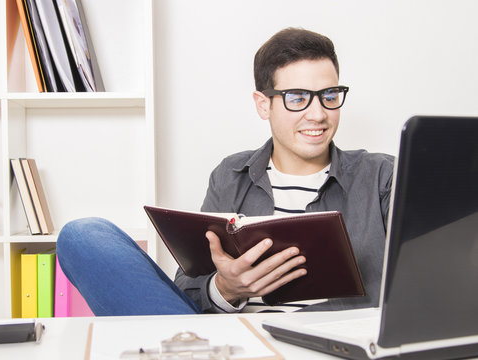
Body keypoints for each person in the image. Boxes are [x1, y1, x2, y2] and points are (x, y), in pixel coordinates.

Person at [56, 27, 394, 316]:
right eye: (297, 97)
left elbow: (422, 284)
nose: (318, 114)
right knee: (82, 236)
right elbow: (188, 293)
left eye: (329, 95)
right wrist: (225, 289)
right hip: (233, 344)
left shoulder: (382, 176)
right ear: (264, 104)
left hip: (331, 347)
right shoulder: (231, 175)